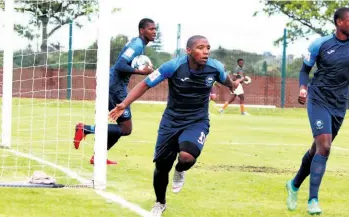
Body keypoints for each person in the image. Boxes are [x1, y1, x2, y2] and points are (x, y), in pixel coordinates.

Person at [109, 35, 242, 216]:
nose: (206, 52)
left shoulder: (214, 67)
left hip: (197, 121)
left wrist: (233, 84)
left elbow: (225, 80)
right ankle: (160, 202)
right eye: (201, 48)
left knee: (186, 157)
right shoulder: (173, 66)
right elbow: (145, 84)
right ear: (189, 51)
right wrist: (124, 104)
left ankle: (180, 170)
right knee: (162, 167)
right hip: (171, 122)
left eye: (208, 48)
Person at [285, 7, 349, 215]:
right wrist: (303, 88)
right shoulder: (320, 44)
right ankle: (313, 200)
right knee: (325, 148)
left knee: (317, 149)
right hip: (318, 99)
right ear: (339, 22)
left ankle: (293, 185)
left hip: (339, 103)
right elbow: (304, 70)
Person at [72, 18, 156, 165]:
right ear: (142, 30)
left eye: (155, 29)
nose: (154, 32)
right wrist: (141, 72)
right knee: (125, 128)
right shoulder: (137, 45)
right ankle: (85, 128)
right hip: (115, 89)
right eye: (151, 29)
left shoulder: (137, 44)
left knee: (123, 128)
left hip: (114, 86)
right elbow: (120, 66)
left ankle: (97, 156)